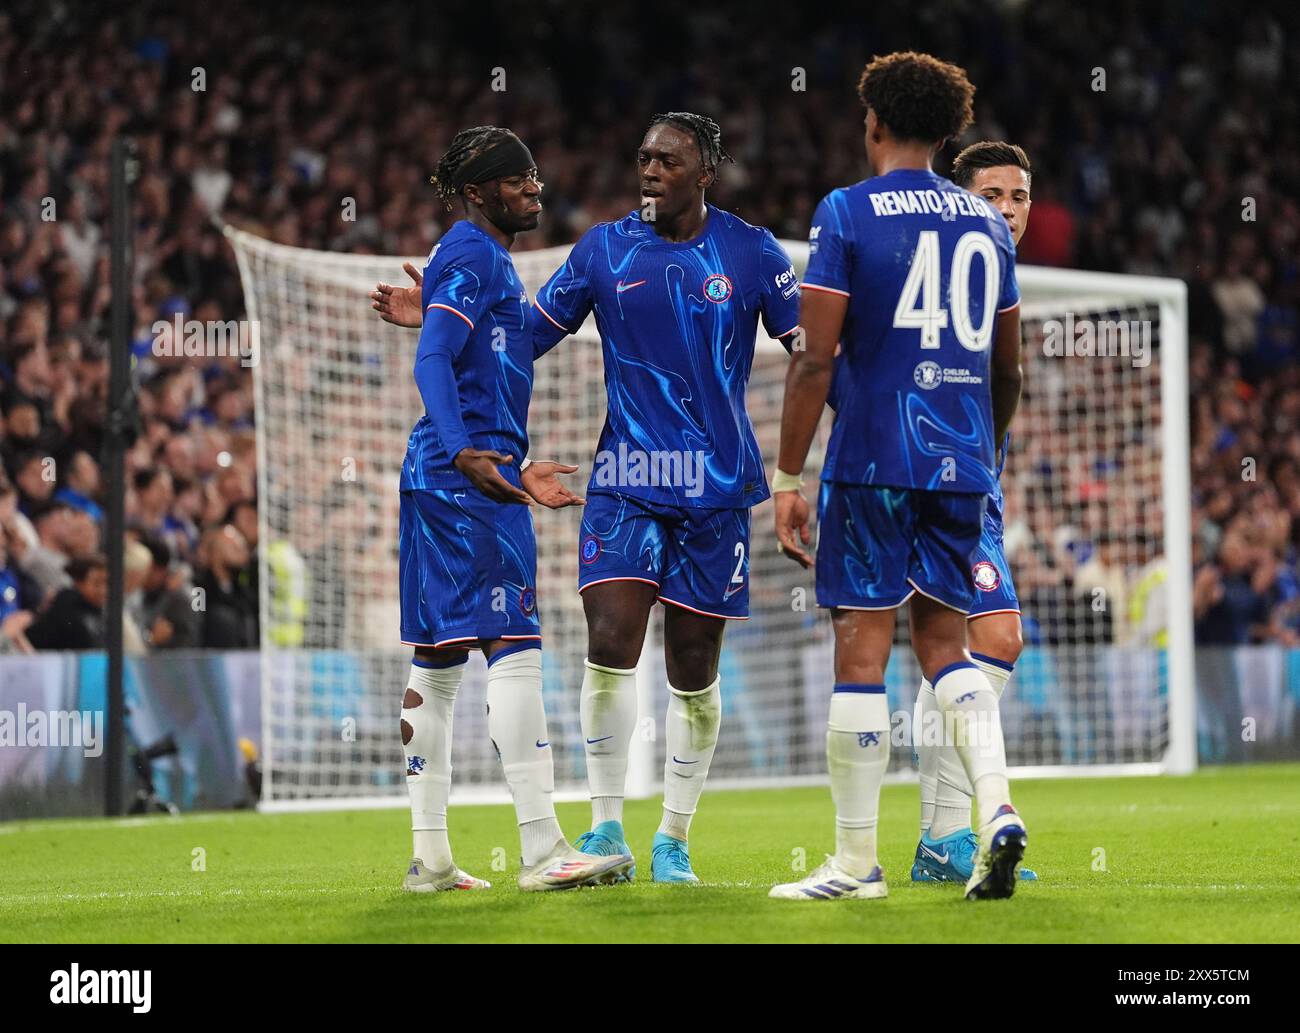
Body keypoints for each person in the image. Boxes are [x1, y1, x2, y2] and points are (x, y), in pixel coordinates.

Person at [769, 52, 1027, 902]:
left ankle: (855, 862)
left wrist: (785, 474)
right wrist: (977, 452)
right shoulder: (988, 225)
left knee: (862, 648)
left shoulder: (847, 212)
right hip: (960, 461)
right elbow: (1010, 371)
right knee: (947, 646)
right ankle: (994, 809)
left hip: (874, 456)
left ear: (872, 121)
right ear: (951, 130)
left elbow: (815, 361)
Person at [531, 113, 801, 882]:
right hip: (627, 482)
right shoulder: (603, 250)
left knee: (692, 667)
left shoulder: (751, 252)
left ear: (706, 169)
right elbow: (525, 333)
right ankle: (607, 828)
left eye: (668, 161)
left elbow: (810, 353)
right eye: (643, 158)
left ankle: (674, 836)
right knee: (611, 640)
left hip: (716, 492)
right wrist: (449, 324)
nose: (650, 171)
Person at [370, 126, 632, 892]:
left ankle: (431, 859)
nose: (535, 191)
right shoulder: (474, 250)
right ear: (480, 190)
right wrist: (468, 454)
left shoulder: (483, 261)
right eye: (518, 181)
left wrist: (513, 469)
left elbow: (476, 344)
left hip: (457, 479)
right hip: (462, 481)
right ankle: (545, 849)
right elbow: (433, 361)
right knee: (514, 645)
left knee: (440, 661)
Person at [910, 140, 1039, 884]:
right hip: (929, 479)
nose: (1007, 210)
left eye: (1018, 196)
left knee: (950, 659)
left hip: (971, 483)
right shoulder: (949, 272)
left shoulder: (999, 273)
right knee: (995, 636)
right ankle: (945, 830)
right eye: (991, 195)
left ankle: (941, 838)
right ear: (961, 199)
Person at [27, 553, 108, 650]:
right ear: (78, 582)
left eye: (107, 583)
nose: (104, 590)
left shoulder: (100, 610)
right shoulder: (65, 608)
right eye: (96, 583)